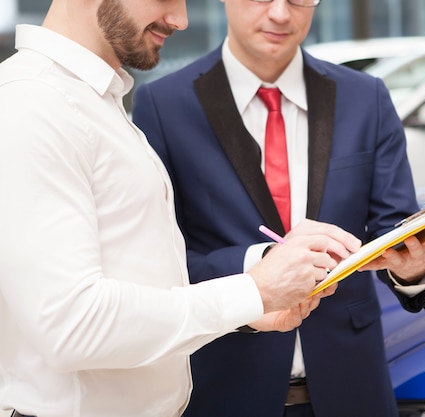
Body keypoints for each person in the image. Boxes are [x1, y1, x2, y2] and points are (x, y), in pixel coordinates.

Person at [0, 0, 362, 416]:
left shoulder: (89, 100)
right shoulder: (34, 103)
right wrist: (253, 290)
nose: (181, 19)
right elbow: (72, 325)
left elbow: (136, 283)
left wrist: (251, 305)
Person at [132, 0, 425, 416]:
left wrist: (413, 269)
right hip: (226, 383)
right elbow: (156, 263)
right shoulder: (163, 105)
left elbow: (392, 229)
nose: (280, 13)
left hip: (352, 385)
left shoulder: (366, 97)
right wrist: (263, 265)